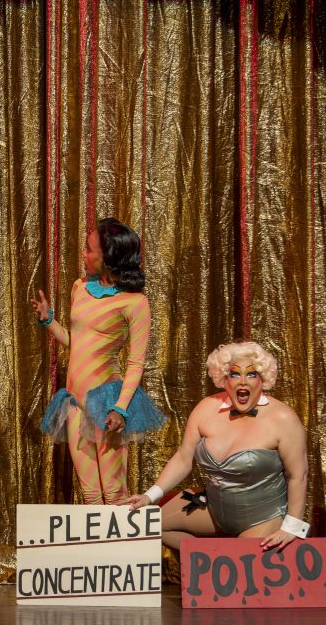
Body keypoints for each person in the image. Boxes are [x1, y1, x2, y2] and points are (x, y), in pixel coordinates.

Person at [121, 342, 309, 551]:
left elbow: (298, 475)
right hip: (212, 507)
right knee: (149, 526)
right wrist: (150, 496)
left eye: (252, 374)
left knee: (239, 568)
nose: (243, 382)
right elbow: (184, 458)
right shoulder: (206, 408)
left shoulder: (283, 418)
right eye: (235, 374)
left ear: (263, 379)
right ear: (224, 379)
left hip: (263, 517)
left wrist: (292, 527)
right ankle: (211, 560)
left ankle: (223, 562)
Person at [30, 218, 165, 504]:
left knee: (115, 492)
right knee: (90, 494)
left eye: (90, 250)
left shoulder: (134, 302)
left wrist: (121, 408)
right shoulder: (80, 287)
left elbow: (136, 364)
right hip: (75, 402)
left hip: (107, 403)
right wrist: (49, 321)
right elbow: (77, 342)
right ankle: (97, 550)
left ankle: (122, 550)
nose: (84, 254)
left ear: (108, 257)